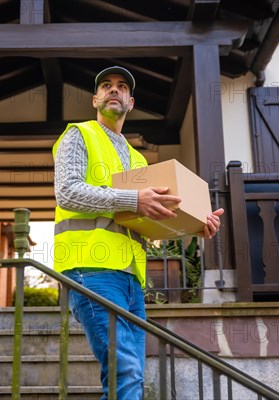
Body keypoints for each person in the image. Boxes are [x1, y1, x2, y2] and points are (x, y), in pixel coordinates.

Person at [52, 66, 224, 399]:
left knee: (129, 376)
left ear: (131, 102)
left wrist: (193, 226)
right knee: (126, 370)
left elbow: (148, 220)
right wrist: (133, 198)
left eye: (121, 87)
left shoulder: (137, 159)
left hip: (131, 279)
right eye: (106, 86)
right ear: (95, 99)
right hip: (91, 270)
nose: (113, 90)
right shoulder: (79, 134)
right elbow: (68, 192)